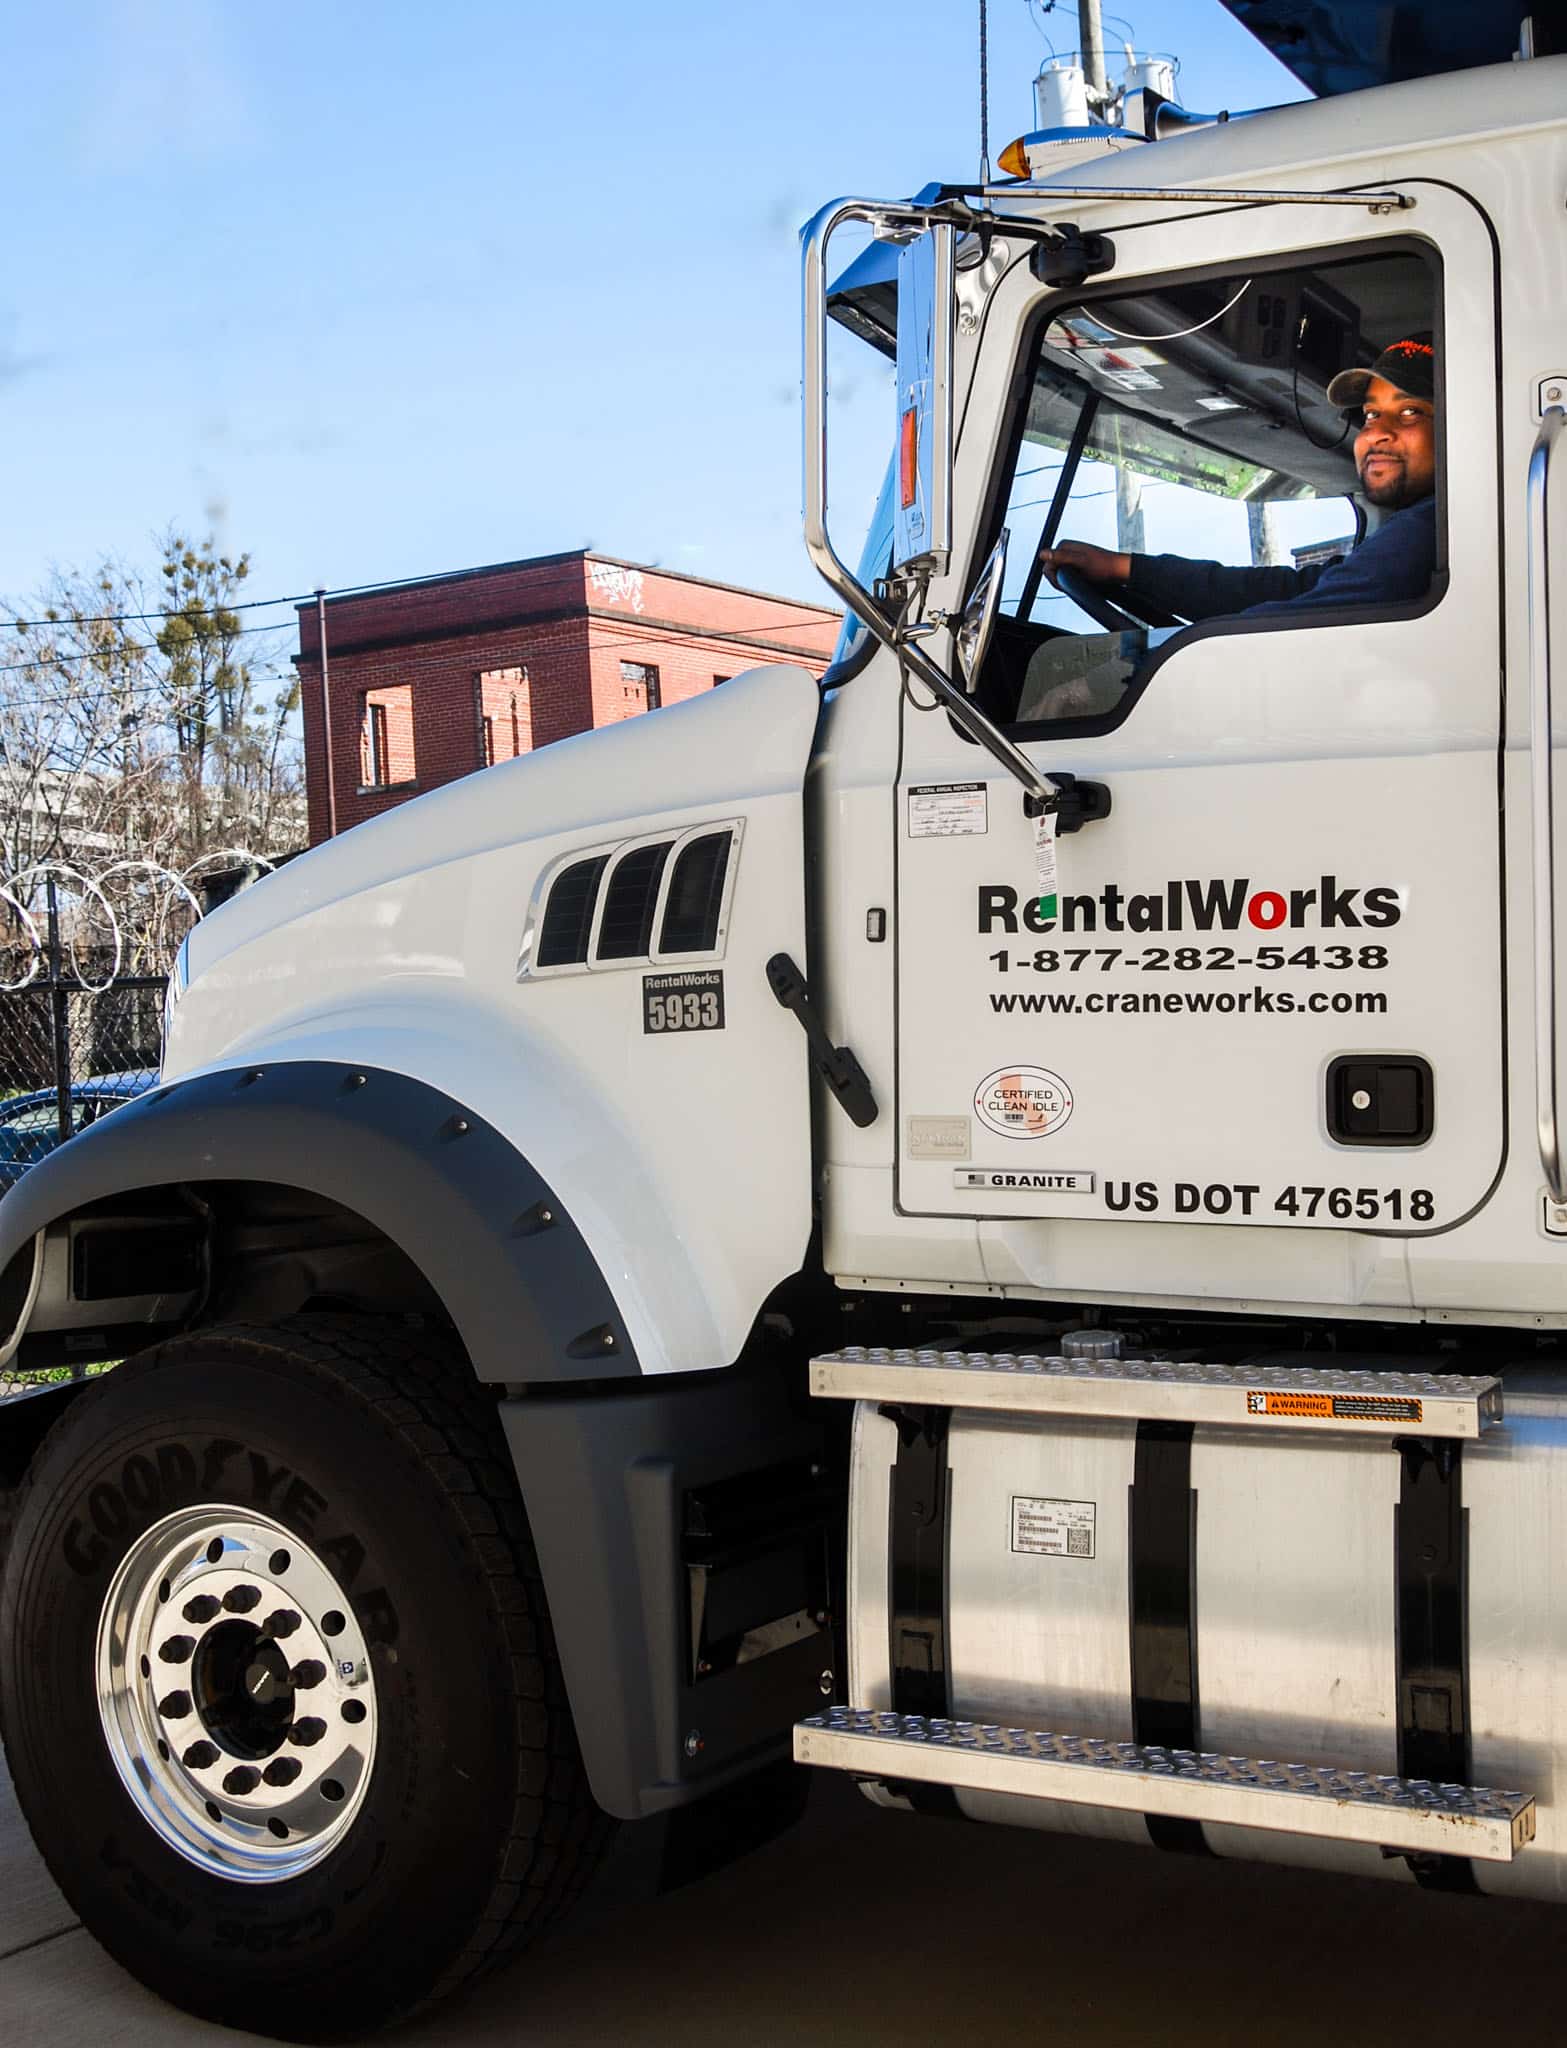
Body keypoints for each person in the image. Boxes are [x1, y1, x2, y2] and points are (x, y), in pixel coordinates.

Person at [1035, 332, 1438, 626]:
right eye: (1370, 414)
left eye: (1410, 413)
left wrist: (1169, 657)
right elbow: (1293, 591)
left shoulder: (1434, 528)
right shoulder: (1418, 527)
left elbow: (1304, 620)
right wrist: (1126, 569)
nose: (1374, 433)